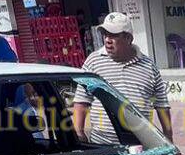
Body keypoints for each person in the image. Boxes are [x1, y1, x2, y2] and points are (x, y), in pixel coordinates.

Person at [71, 12, 173, 145]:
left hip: (140, 146)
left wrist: (168, 137)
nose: (107, 40)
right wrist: (78, 133)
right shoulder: (93, 62)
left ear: (128, 38)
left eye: (113, 35)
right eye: (105, 34)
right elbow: (81, 101)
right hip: (103, 145)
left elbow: (162, 106)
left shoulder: (148, 66)